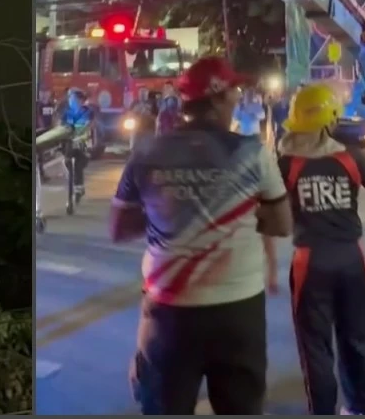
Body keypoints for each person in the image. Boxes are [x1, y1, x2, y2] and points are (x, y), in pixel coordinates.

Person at [110, 57, 292, 415]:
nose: (240, 96)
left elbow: (118, 228)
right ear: (219, 97)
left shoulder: (146, 153)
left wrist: (170, 214)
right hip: (238, 310)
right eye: (235, 91)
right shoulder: (252, 152)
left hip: (169, 313)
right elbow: (282, 224)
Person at [276, 83, 365, 416]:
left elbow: (275, 217)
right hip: (353, 260)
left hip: (311, 262)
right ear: (331, 119)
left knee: (316, 348)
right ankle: (360, 408)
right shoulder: (351, 156)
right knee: (357, 340)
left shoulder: (287, 163)